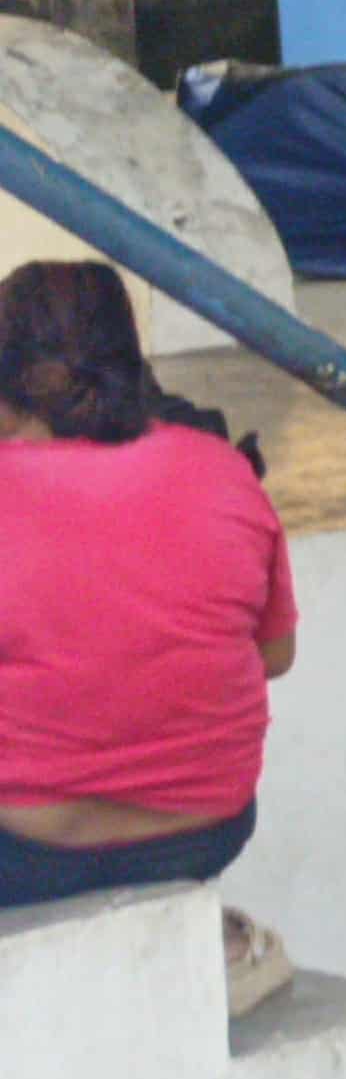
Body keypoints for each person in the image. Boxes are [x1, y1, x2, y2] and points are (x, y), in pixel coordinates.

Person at [0, 262, 298, 1014]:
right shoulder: (224, 472)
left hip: (22, 854)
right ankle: (211, 947)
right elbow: (274, 655)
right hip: (205, 833)